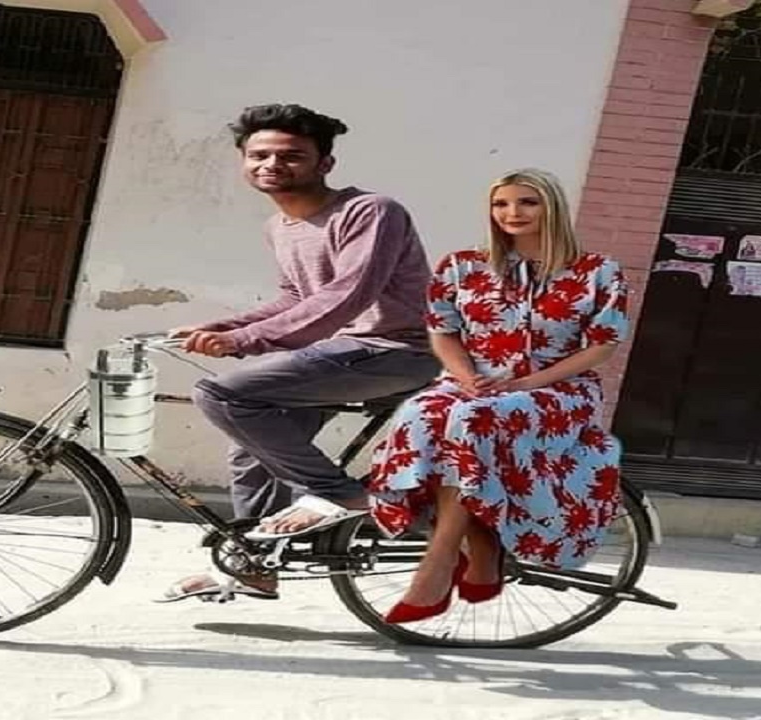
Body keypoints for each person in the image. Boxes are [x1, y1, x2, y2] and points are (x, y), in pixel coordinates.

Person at [159, 103, 439, 602]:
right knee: (251, 445)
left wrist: (245, 341)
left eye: (291, 156)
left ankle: (341, 495)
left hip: (396, 350)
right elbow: (295, 298)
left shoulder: (370, 211)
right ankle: (254, 564)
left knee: (222, 395)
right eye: (259, 155)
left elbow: (349, 293)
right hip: (339, 352)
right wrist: (222, 327)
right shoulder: (279, 227)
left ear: (325, 163)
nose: (272, 164)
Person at [367, 168, 630, 624]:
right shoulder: (462, 266)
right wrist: (467, 377)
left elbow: (602, 345)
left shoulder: (597, 271)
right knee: (421, 412)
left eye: (527, 202)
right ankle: (484, 547)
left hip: (559, 390)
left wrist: (528, 382)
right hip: (474, 382)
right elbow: (443, 332)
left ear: (552, 207)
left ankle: (438, 562)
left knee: (475, 419)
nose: (512, 212)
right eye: (501, 204)